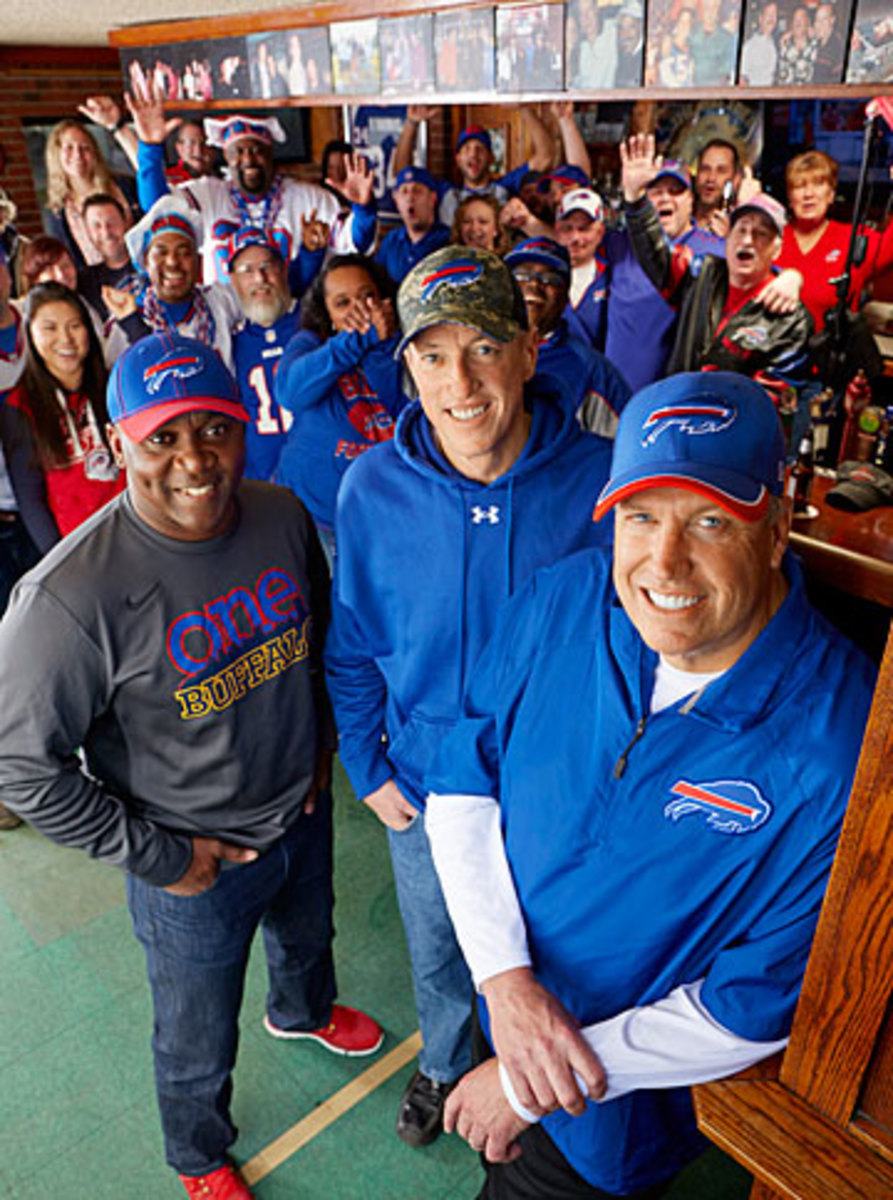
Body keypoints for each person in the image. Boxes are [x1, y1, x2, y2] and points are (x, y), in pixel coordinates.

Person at [424, 371, 876, 1199]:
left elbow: (752, 1005)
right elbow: (461, 779)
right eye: (639, 517)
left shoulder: (840, 753)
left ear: (774, 529)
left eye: (709, 520)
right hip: (505, 1003)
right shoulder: (562, 599)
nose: (663, 563)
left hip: (605, 1105)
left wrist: (528, 1081)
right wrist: (504, 983)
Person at [0, 333, 383, 1200]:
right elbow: (20, 765)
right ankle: (199, 1154)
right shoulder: (67, 598)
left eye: (213, 429)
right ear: (120, 440)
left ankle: (304, 1014)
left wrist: (320, 751)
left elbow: (316, 644)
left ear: (245, 428)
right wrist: (163, 858)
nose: (193, 460)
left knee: (307, 939)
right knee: (193, 1032)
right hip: (193, 864)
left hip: (301, 813)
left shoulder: (280, 515)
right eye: (163, 436)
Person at [325, 244, 614, 1152]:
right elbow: (353, 649)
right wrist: (367, 767)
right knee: (443, 950)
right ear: (406, 368)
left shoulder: (606, 478)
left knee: (564, 953)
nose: (460, 378)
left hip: (564, 792)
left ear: (529, 350)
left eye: (484, 347)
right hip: (424, 787)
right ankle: (448, 1062)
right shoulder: (371, 486)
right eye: (432, 353)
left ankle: (539, 1083)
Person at [622, 135, 812, 402]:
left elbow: (775, 404)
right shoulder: (702, 272)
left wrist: (792, 276)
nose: (747, 240)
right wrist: (635, 199)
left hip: (733, 436)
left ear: (777, 247)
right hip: (678, 417)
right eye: (741, 230)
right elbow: (656, 256)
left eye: (760, 234)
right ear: (727, 236)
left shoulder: (789, 317)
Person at [128, 92, 376, 283]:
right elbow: (157, 208)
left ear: (271, 154)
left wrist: (363, 209)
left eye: (257, 150)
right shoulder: (208, 194)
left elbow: (355, 244)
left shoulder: (308, 198)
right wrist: (150, 148)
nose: (248, 159)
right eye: (238, 151)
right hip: (228, 326)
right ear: (226, 157)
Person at [274, 254, 405, 562]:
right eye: (343, 303)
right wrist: (354, 342)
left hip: (381, 523)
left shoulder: (402, 349)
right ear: (328, 314)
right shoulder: (309, 344)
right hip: (311, 519)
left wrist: (377, 346)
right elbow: (290, 393)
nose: (358, 310)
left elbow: (401, 410)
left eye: (367, 297)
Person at [0, 281, 124, 555]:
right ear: (30, 334)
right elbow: (32, 502)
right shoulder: (20, 407)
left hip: (136, 532)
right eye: (50, 328)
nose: (66, 339)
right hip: (80, 550)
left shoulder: (113, 385)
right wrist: (63, 563)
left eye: (75, 325)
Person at [602, 160, 724, 392]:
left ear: (691, 199)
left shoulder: (715, 250)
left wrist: (788, 278)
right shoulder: (618, 244)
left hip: (676, 401)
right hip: (615, 399)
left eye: (675, 191)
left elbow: (756, 277)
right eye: (655, 191)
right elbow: (570, 240)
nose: (665, 198)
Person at [504, 237, 631, 436]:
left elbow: (621, 452)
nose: (534, 284)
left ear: (565, 296)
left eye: (549, 279)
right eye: (521, 276)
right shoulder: (480, 349)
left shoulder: (592, 372)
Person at [105, 193, 241, 369]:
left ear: (198, 261)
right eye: (161, 252)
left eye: (184, 253)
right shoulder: (128, 323)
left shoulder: (221, 301)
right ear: (145, 261)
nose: (173, 262)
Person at [776, 149, 893, 336]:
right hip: (775, 356)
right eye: (799, 186)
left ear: (831, 194)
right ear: (790, 198)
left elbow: (890, 247)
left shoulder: (853, 238)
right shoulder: (771, 239)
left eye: (818, 184)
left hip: (833, 357)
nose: (808, 194)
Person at [393, 106, 553, 228]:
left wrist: (524, 108)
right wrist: (411, 123)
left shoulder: (505, 188)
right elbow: (403, 175)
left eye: (480, 149)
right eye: (467, 149)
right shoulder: (445, 192)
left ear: (491, 158)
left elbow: (545, 156)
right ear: (458, 159)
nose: (473, 155)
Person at [229, 228, 302, 484]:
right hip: (262, 488)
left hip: (320, 479)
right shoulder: (232, 343)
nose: (259, 278)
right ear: (233, 282)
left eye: (266, 266)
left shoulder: (313, 323)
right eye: (246, 271)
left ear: (283, 270)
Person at [43, 119, 137, 272]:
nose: (77, 155)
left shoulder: (126, 186)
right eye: (69, 148)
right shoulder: (57, 213)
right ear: (56, 155)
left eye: (84, 147)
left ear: (95, 152)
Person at [78, 194, 142, 342]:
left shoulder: (150, 266)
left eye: (112, 223)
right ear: (88, 233)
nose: (106, 233)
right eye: (96, 226)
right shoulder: (83, 283)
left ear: (126, 223)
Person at [374, 166, 451, 286]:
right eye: (404, 191)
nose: (410, 198)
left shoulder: (448, 240)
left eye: (417, 191)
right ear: (397, 201)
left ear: (432, 198)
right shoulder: (391, 241)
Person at [554, 188, 609, 353]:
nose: (575, 238)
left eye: (584, 229)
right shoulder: (541, 277)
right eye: (567, 229)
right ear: (557, 230)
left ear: (600, 233)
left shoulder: (613, 279)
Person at [693, 138, 741, 230]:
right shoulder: (677, 220)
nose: (711, 178)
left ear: (736, 179)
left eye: (721, 171)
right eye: (705, 169)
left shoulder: (739, 228)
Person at [690, 0, 736, 85]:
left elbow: (725, 74)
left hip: (713, 91)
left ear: (718, 10)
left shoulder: (727, 38)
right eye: (707, 7)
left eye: (714, 7)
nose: (710, 12)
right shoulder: (692, 33)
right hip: (690, 89)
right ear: (702, 9)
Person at [739, 0, 779, 86]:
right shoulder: (750, 45)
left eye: (774, 15)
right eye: (768, 15)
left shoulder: (776, 43)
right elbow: (742, 77)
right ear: (761, 18)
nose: (772, 19)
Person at [776, 5, 816, 86]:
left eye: (801, 18)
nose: (798, 22)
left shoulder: (815, 45)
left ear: (808, 22)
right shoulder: (782, 43)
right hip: (784, 94)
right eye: (795, 19)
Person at [811, 2, 845, 82]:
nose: (819, 24)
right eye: (817, 20)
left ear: (832, 20)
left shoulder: (839, 46)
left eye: (823, 20)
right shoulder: (815, 42)